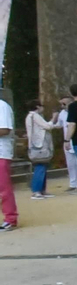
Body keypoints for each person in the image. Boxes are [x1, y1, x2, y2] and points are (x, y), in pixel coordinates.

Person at [26, 99, 56, 200]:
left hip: (36, 145)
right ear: (37, 106)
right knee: (40, 167)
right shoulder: (35, 116)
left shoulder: (30, 116)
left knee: (42, 166)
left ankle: (41, 190)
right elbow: (47, 126)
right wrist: (54, 118)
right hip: (40, 145)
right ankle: (36, 190)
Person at [55, 94, 77, 191]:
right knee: (71, 164)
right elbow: (59, 125)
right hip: (67, 142)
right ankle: (73, 183)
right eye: (61, 104)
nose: (62, 106)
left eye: (64, 104)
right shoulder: (62, 113)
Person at [0, 97, 15, 229]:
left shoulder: (2, 106)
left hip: (1, 152)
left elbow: (5, 129)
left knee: (3, 187)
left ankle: (10, 218)